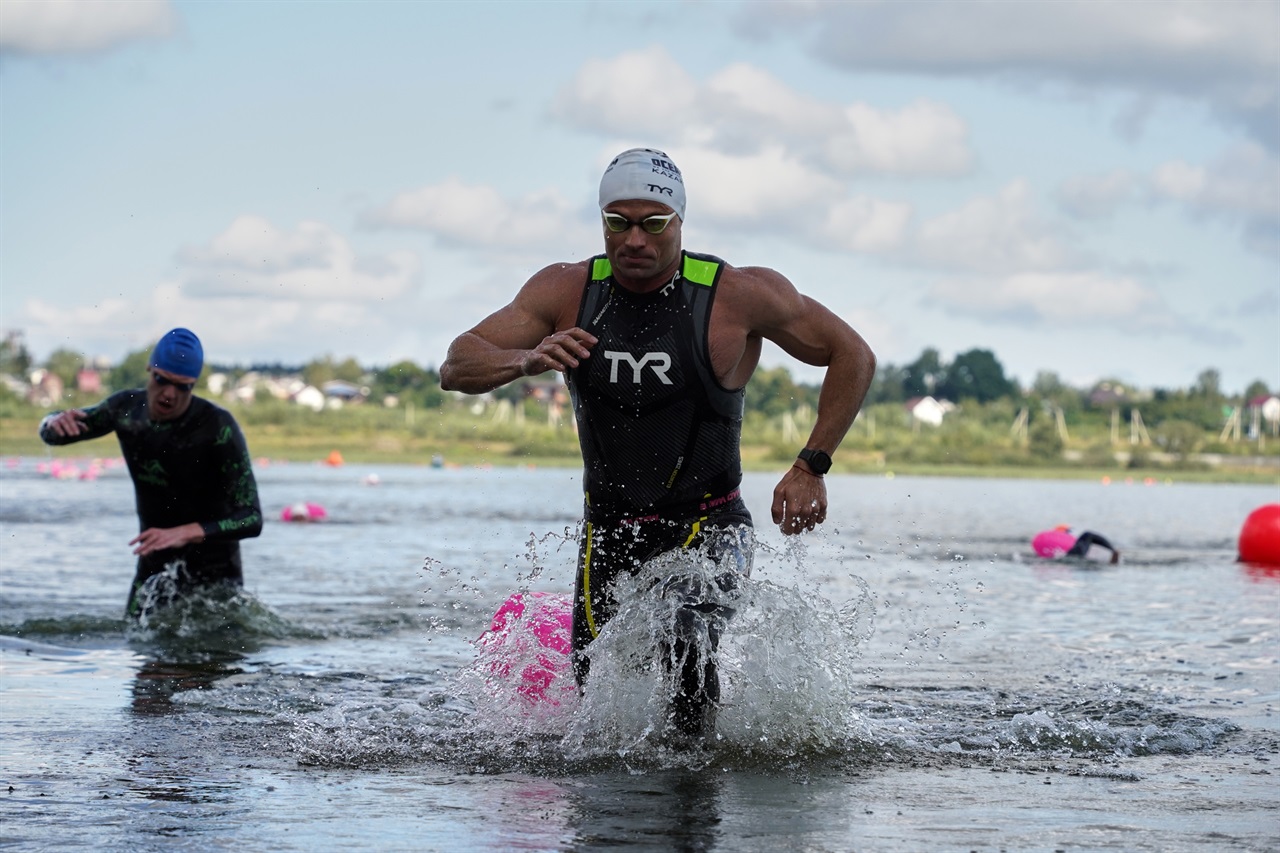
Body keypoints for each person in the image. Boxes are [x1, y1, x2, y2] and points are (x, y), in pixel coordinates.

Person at [440, 147, 876, 740]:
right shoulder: (567, 289)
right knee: (597, 695)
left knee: (683, 634)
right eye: (618, 222)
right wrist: (525, 359)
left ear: (678, 221)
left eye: (653, 223)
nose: (634, 239)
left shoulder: (736, 295)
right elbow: (458, 361)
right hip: (608, 530)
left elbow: (852, 354)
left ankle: (693, 805)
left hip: (711, 524)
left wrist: (811, 465)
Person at [39, 328, 263, 619]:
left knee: (213, 659)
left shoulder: (217, 427)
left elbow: (252, 518)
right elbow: (53, 434)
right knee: (138, 648)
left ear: (193, 385)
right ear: (150, 371)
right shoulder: (126, 410)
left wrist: (188, 532)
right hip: (153, 567)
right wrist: (53, 421)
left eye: (182, 386)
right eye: (162, 380)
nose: (169, 393)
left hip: (216, 577)